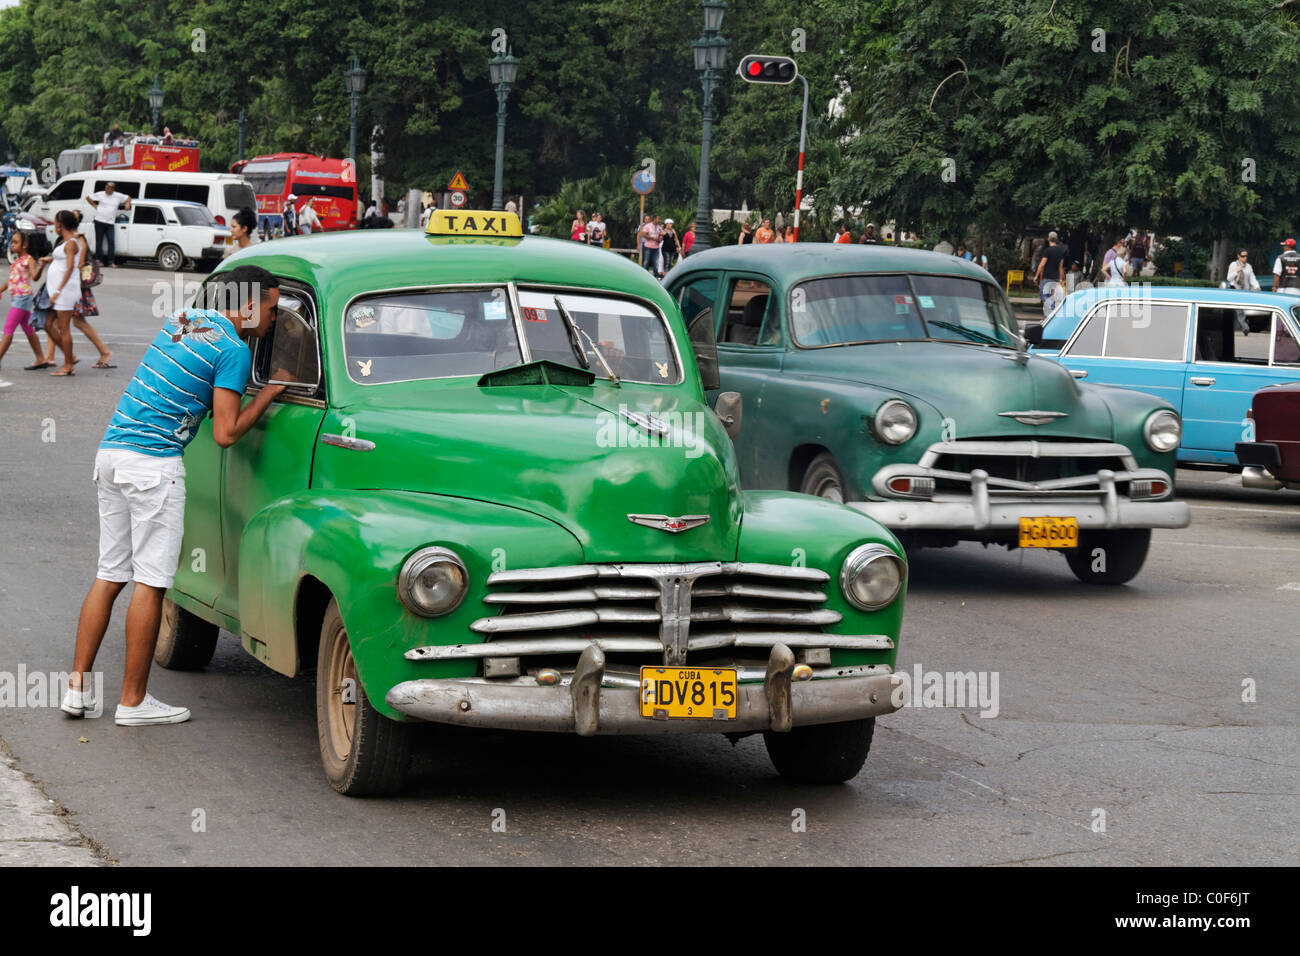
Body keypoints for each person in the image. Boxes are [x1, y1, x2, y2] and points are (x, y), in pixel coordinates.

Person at [63, 265, 288, 726]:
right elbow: (225, 433)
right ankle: (132, 701)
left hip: (111, 455)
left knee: (109, 574)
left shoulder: (182, 318)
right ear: (248, 304)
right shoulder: (232, 350)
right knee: (151, 582)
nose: (273, 319)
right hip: (154, 467)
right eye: (270, 308)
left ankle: (77, 690)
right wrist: (268, 393)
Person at [67, 211, 113, 368]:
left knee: (75, 322)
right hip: (68, 285)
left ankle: (104, 352)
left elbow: (79, 263)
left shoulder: (78, 239)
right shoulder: (70, 238)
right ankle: (51, 356)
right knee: (56, 321)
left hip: (75, 285)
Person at [0, 231, 45, 375]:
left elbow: (35, 277)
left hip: (23, 298)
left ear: (24, 245)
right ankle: (41, 358)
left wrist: (41, 267)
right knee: (28, 329)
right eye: (11, 242)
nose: (12, 245)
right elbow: (11, 280)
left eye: (15, 242)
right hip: (19, 298)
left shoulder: (28, 259)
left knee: (8, 329)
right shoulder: (17, 261)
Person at [86, 181, 131, 267]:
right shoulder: (100, 194)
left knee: (111, 241)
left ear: (113, 189)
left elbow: (128, 197)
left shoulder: (117, 196)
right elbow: (88, 198)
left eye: (109, 188)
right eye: (106, 187)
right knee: (99, 242)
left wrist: (127, 203)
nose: (107, 189)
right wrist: (95, 206)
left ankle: (111, 262)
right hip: (99, 221)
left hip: (110, 223)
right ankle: (99, 260)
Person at [1034, 230, 1068, 316]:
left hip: (1047, 278)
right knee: (1051, 297)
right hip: (1056, 279)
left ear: (1048, 239)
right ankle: (1050, 315)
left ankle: (1052, 311)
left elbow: (1042, 264)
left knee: (1043, 295)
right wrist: (1061, 279)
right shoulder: (1060, 252)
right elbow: (1061, 267)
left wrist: (1036, 276)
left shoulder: (1047, 251)